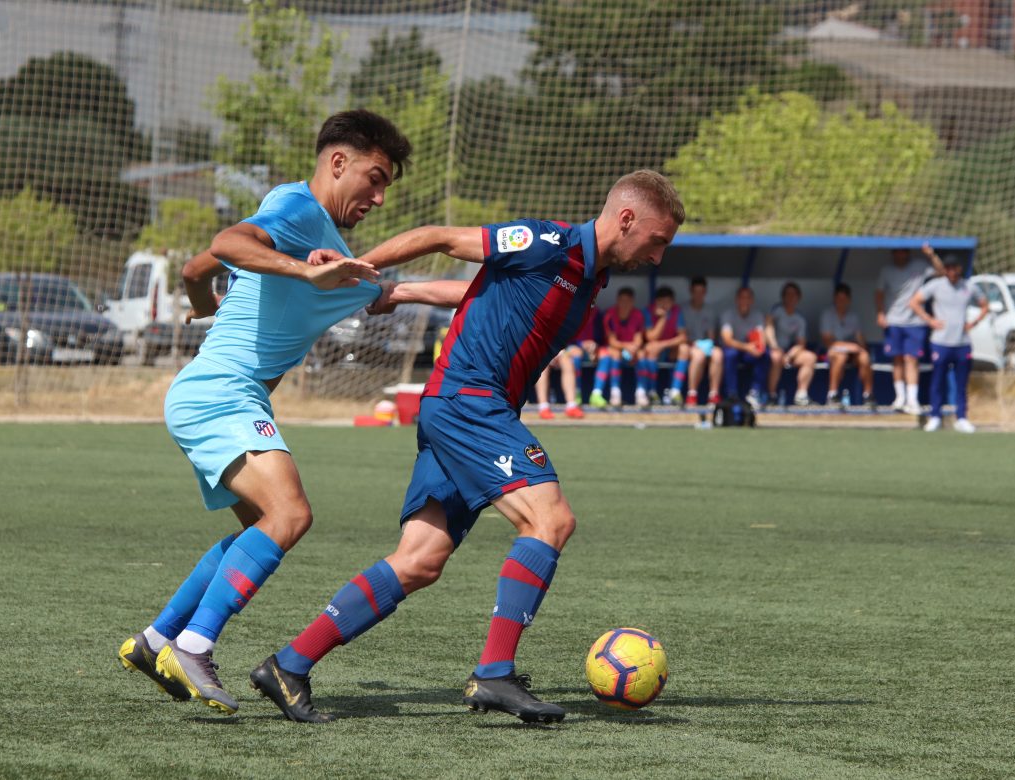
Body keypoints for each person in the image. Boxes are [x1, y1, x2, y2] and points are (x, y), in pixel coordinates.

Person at [248, 170, 685, 724]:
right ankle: (495, 674)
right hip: (469, 403)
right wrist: (352, 269)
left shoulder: (587, 281)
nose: (657, 256)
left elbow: (476, 292)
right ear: (627, 220)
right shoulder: (549, 243)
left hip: (462, 410)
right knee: (550, 520)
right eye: (658, 240)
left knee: (419, 560)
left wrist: (401, 292)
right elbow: (439, 236)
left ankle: (288, 665)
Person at [116, 110, 416, 716]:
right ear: (338, 163)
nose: (380, 198)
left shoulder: (343, 259)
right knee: (290, 513)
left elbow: (200, 267)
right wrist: (301, 267)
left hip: (219, 392)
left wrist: (205, 305)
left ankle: (155, 642)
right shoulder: (297, 207)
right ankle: (195, 646)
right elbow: (228, 244)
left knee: (260, 527)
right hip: (221, 391)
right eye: (375, 178)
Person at [909, 255, 989, 433]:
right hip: (940, 342)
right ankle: (935, 417)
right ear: (945, 269)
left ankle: (961, 418)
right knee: (937, 381)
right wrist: (930, 320)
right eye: (948, 268)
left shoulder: (969, 287)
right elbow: (914, 302)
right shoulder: (936, 285)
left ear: (960, 269)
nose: (952, 271)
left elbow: (985, 305)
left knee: (962, 383)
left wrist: (973, 323)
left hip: (962, 343)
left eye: (955, 268)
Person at [876, 244, 945, 414]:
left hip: (916, 323)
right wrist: (880, 313)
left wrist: (931, 255)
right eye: (897, 252)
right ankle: (899, 398)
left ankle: (912, 400)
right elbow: (879, 293)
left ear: (907, 253)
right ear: (893, 254)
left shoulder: (920, 266)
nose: (900, 255)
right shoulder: (886, 271)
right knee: (897, 360)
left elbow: (942, 272)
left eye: (903, 252)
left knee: (912, 360)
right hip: (893, 321)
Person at [820, 283, 874, 408]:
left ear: (849, 300)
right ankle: (832, 395)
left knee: (865, 357)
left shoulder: (853, 317)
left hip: (851, 353)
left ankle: (868, 395)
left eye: (844, 299)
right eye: (838, 298)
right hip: (830, 352)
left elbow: (860, 339)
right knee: (841, 356)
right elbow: (828, 341)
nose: (841, 302)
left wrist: (861, 347)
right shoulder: (827, 314)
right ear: (834, 299)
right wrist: (849, 346)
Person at [592, 286, 646, 409]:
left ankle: (641, 392)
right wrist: (627, 347)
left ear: (633, 302)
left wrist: (634, 348)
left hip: (630, 352)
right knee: (613, 353)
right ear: (617, 300)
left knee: (642, 354)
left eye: (628, 301)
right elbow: (612, 341)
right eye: (621, 300)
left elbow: (639, 339)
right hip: (614, 350)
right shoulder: (610, 314)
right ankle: (615, 393)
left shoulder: (638, 315)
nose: (624, 304)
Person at [764, 281, 816, 407]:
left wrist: (790, 355)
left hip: (790, 351)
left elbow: (801, 343)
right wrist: (774, 346)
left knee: (810, 357)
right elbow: (768, 327)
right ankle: (772, 395)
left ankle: (801, 395)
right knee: (776, 357)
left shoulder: (800, 318)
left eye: (793, 295)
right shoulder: (776, 310)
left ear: (798, 297)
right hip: (774, 348)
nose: (790, 297)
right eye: (787, 294)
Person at [720, 285, 769, 408]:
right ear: (737, 300)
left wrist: (759, 348)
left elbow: (761, 338)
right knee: (731, 354)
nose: (744, 301)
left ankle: (755, 392)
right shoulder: (728, 315)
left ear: (752, 300)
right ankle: (732, 394)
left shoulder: (757, 315)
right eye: (742, 298)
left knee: (765, 354)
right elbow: (727, 340)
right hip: (735, 349)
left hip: (749, 351)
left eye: (748, 298)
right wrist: (747, 347)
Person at [642, 286, 689, 405]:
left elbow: (683, 337)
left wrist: (662, 345)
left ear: (672, 302)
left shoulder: (676, 311)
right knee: (650, 348)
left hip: (668, 348)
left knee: (684, 348)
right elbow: (651, 337)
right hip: (653, 351)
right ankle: (651, 392)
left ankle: (675, 391)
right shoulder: (648, 311)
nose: (664, 305)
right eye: (661, 302)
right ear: (656, 302)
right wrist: (663, 318)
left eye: (667, 302)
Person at [681, 276, 722, 407]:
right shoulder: (683, 309)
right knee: (698, 356)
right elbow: (682, 335)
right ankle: (692, 395)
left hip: (704, 345)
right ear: (691, 291)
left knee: (718, 354)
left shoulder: (710, 310)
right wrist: (695, 344)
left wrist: (708, 344)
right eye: (696, 291)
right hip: (688, 345)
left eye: (701, 292)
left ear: (705, 292)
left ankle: (713, 395)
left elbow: (711, 336)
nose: (699, 295)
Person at [534, 350, 585, 420]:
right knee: (543, 364)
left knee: (568, 362)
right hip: (542, 350)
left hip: (560, 351)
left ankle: (571, 406)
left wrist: (558, 352)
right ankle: (543, 407)